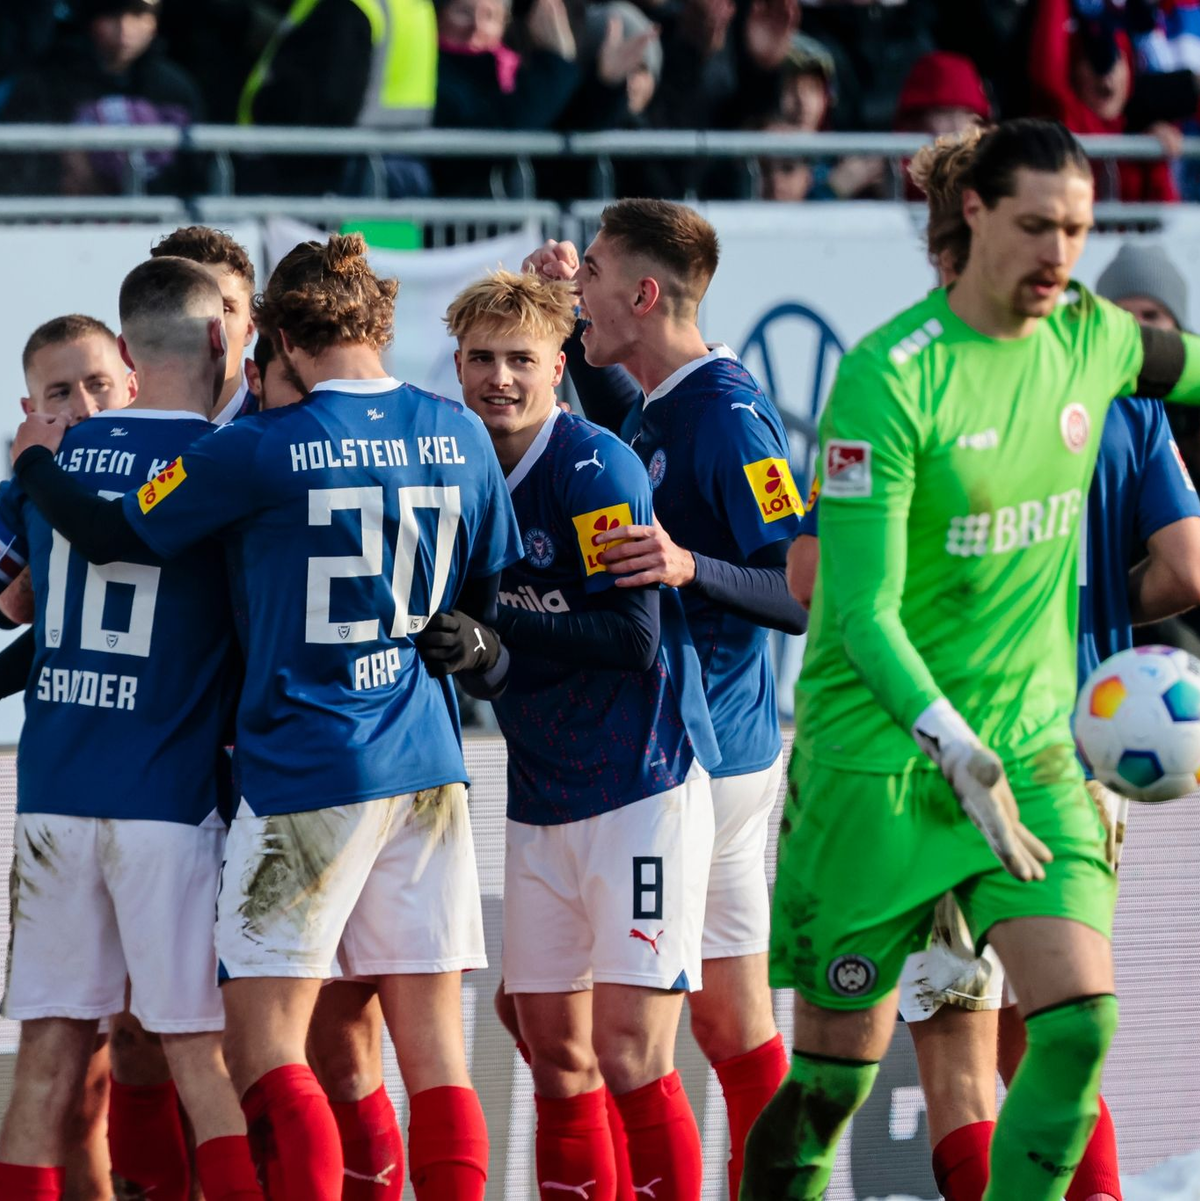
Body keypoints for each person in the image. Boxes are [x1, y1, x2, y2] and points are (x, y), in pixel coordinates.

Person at [9, 233, 523, 1201]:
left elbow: (116, 537)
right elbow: (483, 605)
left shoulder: (254, 449)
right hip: (426, 761)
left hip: (304, 772)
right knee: (434, 1049)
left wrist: (40, 467)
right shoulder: (456, 433)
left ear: (281, 334)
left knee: (254, 1045)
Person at [742, 116, 1200, 1201]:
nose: (1060, 255)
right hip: (880, 767)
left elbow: (1184, 369)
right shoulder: (887, 378)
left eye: (1078, 231)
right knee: (828, 1083)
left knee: (1080, 1024)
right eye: (1037, 226)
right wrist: (951, 745)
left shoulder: (1099, 342)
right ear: (975, 217)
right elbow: (853, 608)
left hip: (1038, 752)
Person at [523, 199, 809, 1200]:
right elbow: (620, 441)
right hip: (713, 749)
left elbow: (800, 590)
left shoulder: (728, 416)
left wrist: (693, 566)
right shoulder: (659, 400)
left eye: (593, 275)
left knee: (621, 1040)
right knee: (733, 1027)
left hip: (702, 759)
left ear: (643, 295)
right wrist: (561, 316)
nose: (579, 290)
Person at [445, 269, 720, 1201]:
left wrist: (498, 631)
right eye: (481, 359)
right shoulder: (461, 468)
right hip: (541, 791)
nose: (500, 379)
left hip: (639, 789)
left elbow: (633, 639)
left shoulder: (593, 464)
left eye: (520, 360)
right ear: (457, 365)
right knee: (553, 1049)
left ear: (556, 368)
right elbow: (499, 661)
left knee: (632, 1051)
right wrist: (478, 654)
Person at [0, 257, 258, 1201]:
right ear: (216, 339)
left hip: (56, 793)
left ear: (128, 353)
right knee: (198, 1056)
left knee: (46, 1061)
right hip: (164, 796)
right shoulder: (224, 460)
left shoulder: (51, 459)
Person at [0, 314, 137, 1200]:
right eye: (60, 394)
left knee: (175, 1056)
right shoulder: (21, 489)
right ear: (28, 412)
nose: (82, 407)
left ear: (132, 380)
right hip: (68, 795)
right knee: (75, 1073)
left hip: (191, 801)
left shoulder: (191, 465)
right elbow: (24, 619)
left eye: (96, 384)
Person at [1, 0, 203, 196]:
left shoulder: (172, 87)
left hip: (153, 221)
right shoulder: (47, 80)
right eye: (113, 15)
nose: (125, 29)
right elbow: (20, 166)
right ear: (91, 20)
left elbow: (191, 171)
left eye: (138, 14)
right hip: (61, 219)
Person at [150, 226, 259, 424]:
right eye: (189, 305)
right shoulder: (125, 434)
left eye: (225, 308)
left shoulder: (287, 431)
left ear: (250, 327)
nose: (212, 327)